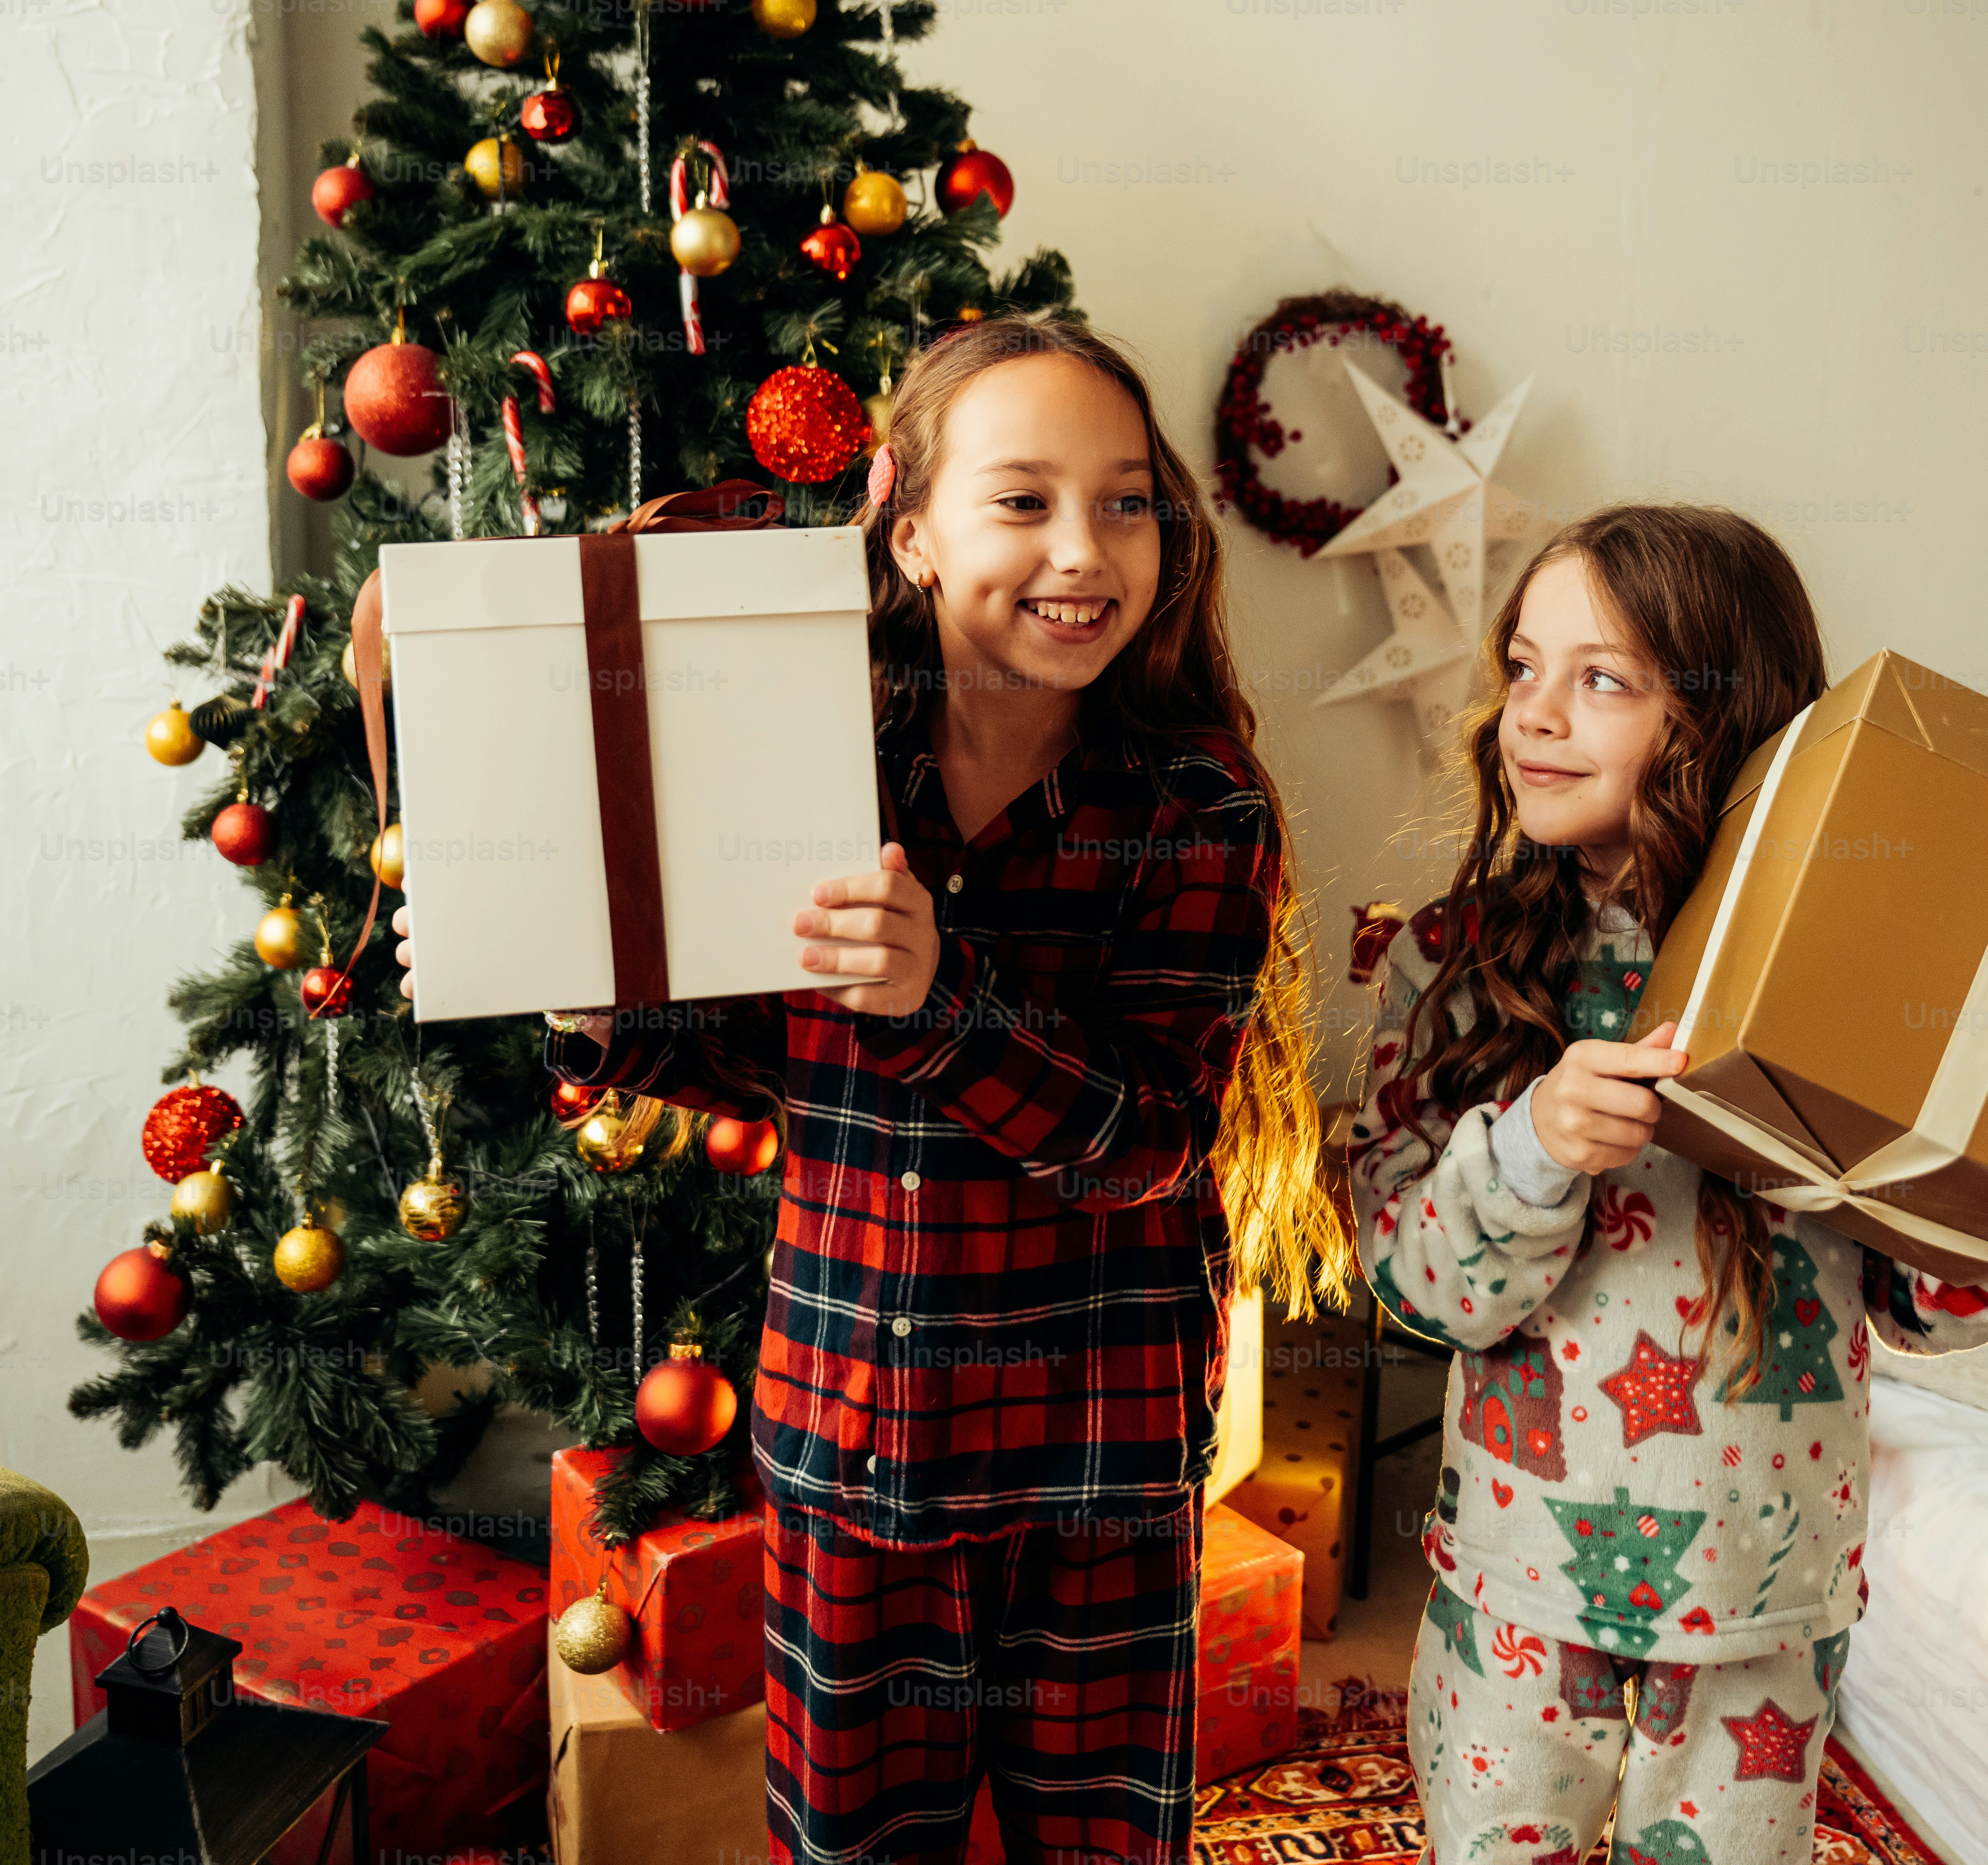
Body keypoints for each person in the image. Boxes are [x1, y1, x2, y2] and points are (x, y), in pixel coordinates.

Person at [402, 317, 1344, 1865]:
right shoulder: (806, 754)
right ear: (905, 527)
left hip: (1093, 1451)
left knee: (1105, 1840)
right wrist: (578, 986)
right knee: (853, 1842)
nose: (1083, 549)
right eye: (1023, 500)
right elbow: (769, 1058)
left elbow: (1151, 1143)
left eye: (1124, 504)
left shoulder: (1194, 800)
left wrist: (940, 999)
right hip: (860, 1434)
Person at [1348, 502, 1988, 1865]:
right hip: (1517, 1587)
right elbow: (1424, 1289)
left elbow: (1912, 1294)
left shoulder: (1847, 979)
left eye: (1601, 679)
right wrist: (1533, 1143)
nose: (1532, 714)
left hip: (1763, 1599)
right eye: (1521, 664)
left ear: (1720, 721)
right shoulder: (1456, 960)